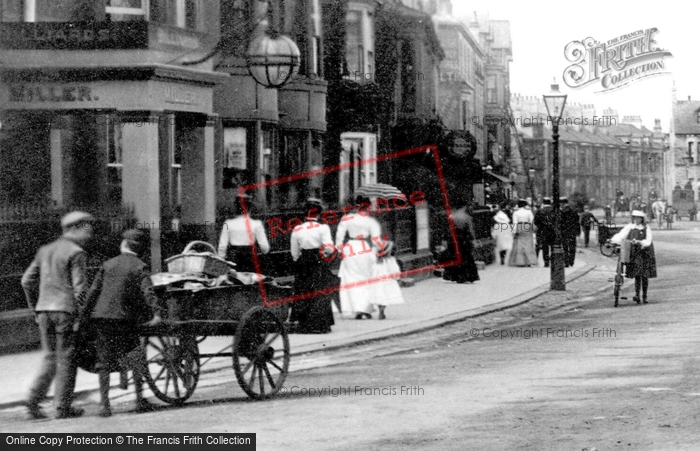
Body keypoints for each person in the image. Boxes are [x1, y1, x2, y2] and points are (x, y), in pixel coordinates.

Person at [21, 211, 95, 420]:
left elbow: (26, 281)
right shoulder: (76, 252)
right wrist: (81, 316)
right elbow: (80, 290)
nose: (91, 233)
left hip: (44, 310)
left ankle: (33, 400)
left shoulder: (45, 250)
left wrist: (34, 308)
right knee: (67, 359)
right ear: (75, 228)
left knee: (49, 357)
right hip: (65, 312)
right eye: (88, 228)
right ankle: (63, 407)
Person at [82, 229, 161, 417]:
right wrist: (157, 313)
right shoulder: (140, 266)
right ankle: (140, 400)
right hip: (125, 320)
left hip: (101, 319)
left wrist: (84, 316)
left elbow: (93, 292)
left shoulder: (108, 264)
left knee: (104, 361)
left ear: (124, 244)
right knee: (135, 357)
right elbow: (148, 293)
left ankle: (105, 406)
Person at [289, 198, 336, 333]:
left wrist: (299, 259)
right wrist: (329, 252)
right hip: (317, 260)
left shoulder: (297, 229)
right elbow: (328, 248)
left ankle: (303, 324)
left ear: (305, 213)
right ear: (319, 213)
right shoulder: (323, 228)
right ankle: (320, 324)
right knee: (320, 290)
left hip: (303, 261)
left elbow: (294, 252)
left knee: (303, 291)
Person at [335, 195, 384, 319]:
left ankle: (356, 309)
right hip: (364, 248)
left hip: (350, 247)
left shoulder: (347, 218)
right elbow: (376, 239)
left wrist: (340, 250)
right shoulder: (371, 221)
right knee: (366, 278)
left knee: (351, 279)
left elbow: (339, 237)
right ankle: (366, 309)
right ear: (367, 207)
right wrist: (378, 252)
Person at [611, 210, 657, 305]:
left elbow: (648, 240)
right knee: (637, 274)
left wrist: (640, 242)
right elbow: (621, 235)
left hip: (645, 253)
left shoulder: (646, 228)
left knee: (644, 275)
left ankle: (644, 296)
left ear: (642, 219)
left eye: (638, 218)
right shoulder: (629, 227)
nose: (636, 220)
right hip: (635, 253)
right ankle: (637, 295)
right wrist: (614, 240)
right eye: (635, 218)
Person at [218, 194, 270, 272]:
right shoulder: (256, 224)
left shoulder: (228, 223)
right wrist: (264, 252)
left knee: (235, 279)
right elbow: (264, 247)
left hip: (234, 256)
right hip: (251, 257)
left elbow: (222, 246)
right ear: (250, 208)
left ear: (236, 207)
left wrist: (221, 258)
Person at [443, 202, 480, 282]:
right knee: (466, 257)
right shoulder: (467, 217)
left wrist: (446, 240)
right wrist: (474, 240)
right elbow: (471, 231)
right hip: (464, 239)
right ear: (464, 207)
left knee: (454, 256)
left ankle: (454, 276)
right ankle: (465, 276)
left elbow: (447, 230)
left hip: (454, 240)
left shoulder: (451, 216)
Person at [371, 240, 405, 319]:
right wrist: (398, 278)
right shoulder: (390, 260)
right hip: (387, 282)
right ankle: (381, 311)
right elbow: (394, 271)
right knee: (385, 296)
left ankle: (380, 310)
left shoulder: (376, 260)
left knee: (379, 296)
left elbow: (371, 270)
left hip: (377, 281)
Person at [508, 199, 537, 267]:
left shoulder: (516, 213)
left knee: (519, 245)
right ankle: (530, 261)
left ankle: (520, 261)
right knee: (528, 244)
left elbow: (514, 223)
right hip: (527, 227)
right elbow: (532, 220)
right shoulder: (529, 212)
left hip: (519, 226)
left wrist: (514, 231)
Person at [534, 198, 555, 267]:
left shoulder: (540, 211)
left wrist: (540, 226)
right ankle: (553, 260)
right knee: (553, 246)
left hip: (543, 231)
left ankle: (546, 262)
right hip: (552, 231)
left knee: (545, 247)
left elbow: (536, 221)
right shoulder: (553, 210)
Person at [560, 198, 581, 267]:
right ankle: (571, 261)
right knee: (572, 247)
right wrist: (578, 231)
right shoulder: (574, 211)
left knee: (565, 247)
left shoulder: (562, 212)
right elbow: (577, 222)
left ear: (563, 204)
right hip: (572, 232)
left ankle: (566, 262)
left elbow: (560, 223)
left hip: (564, 232)